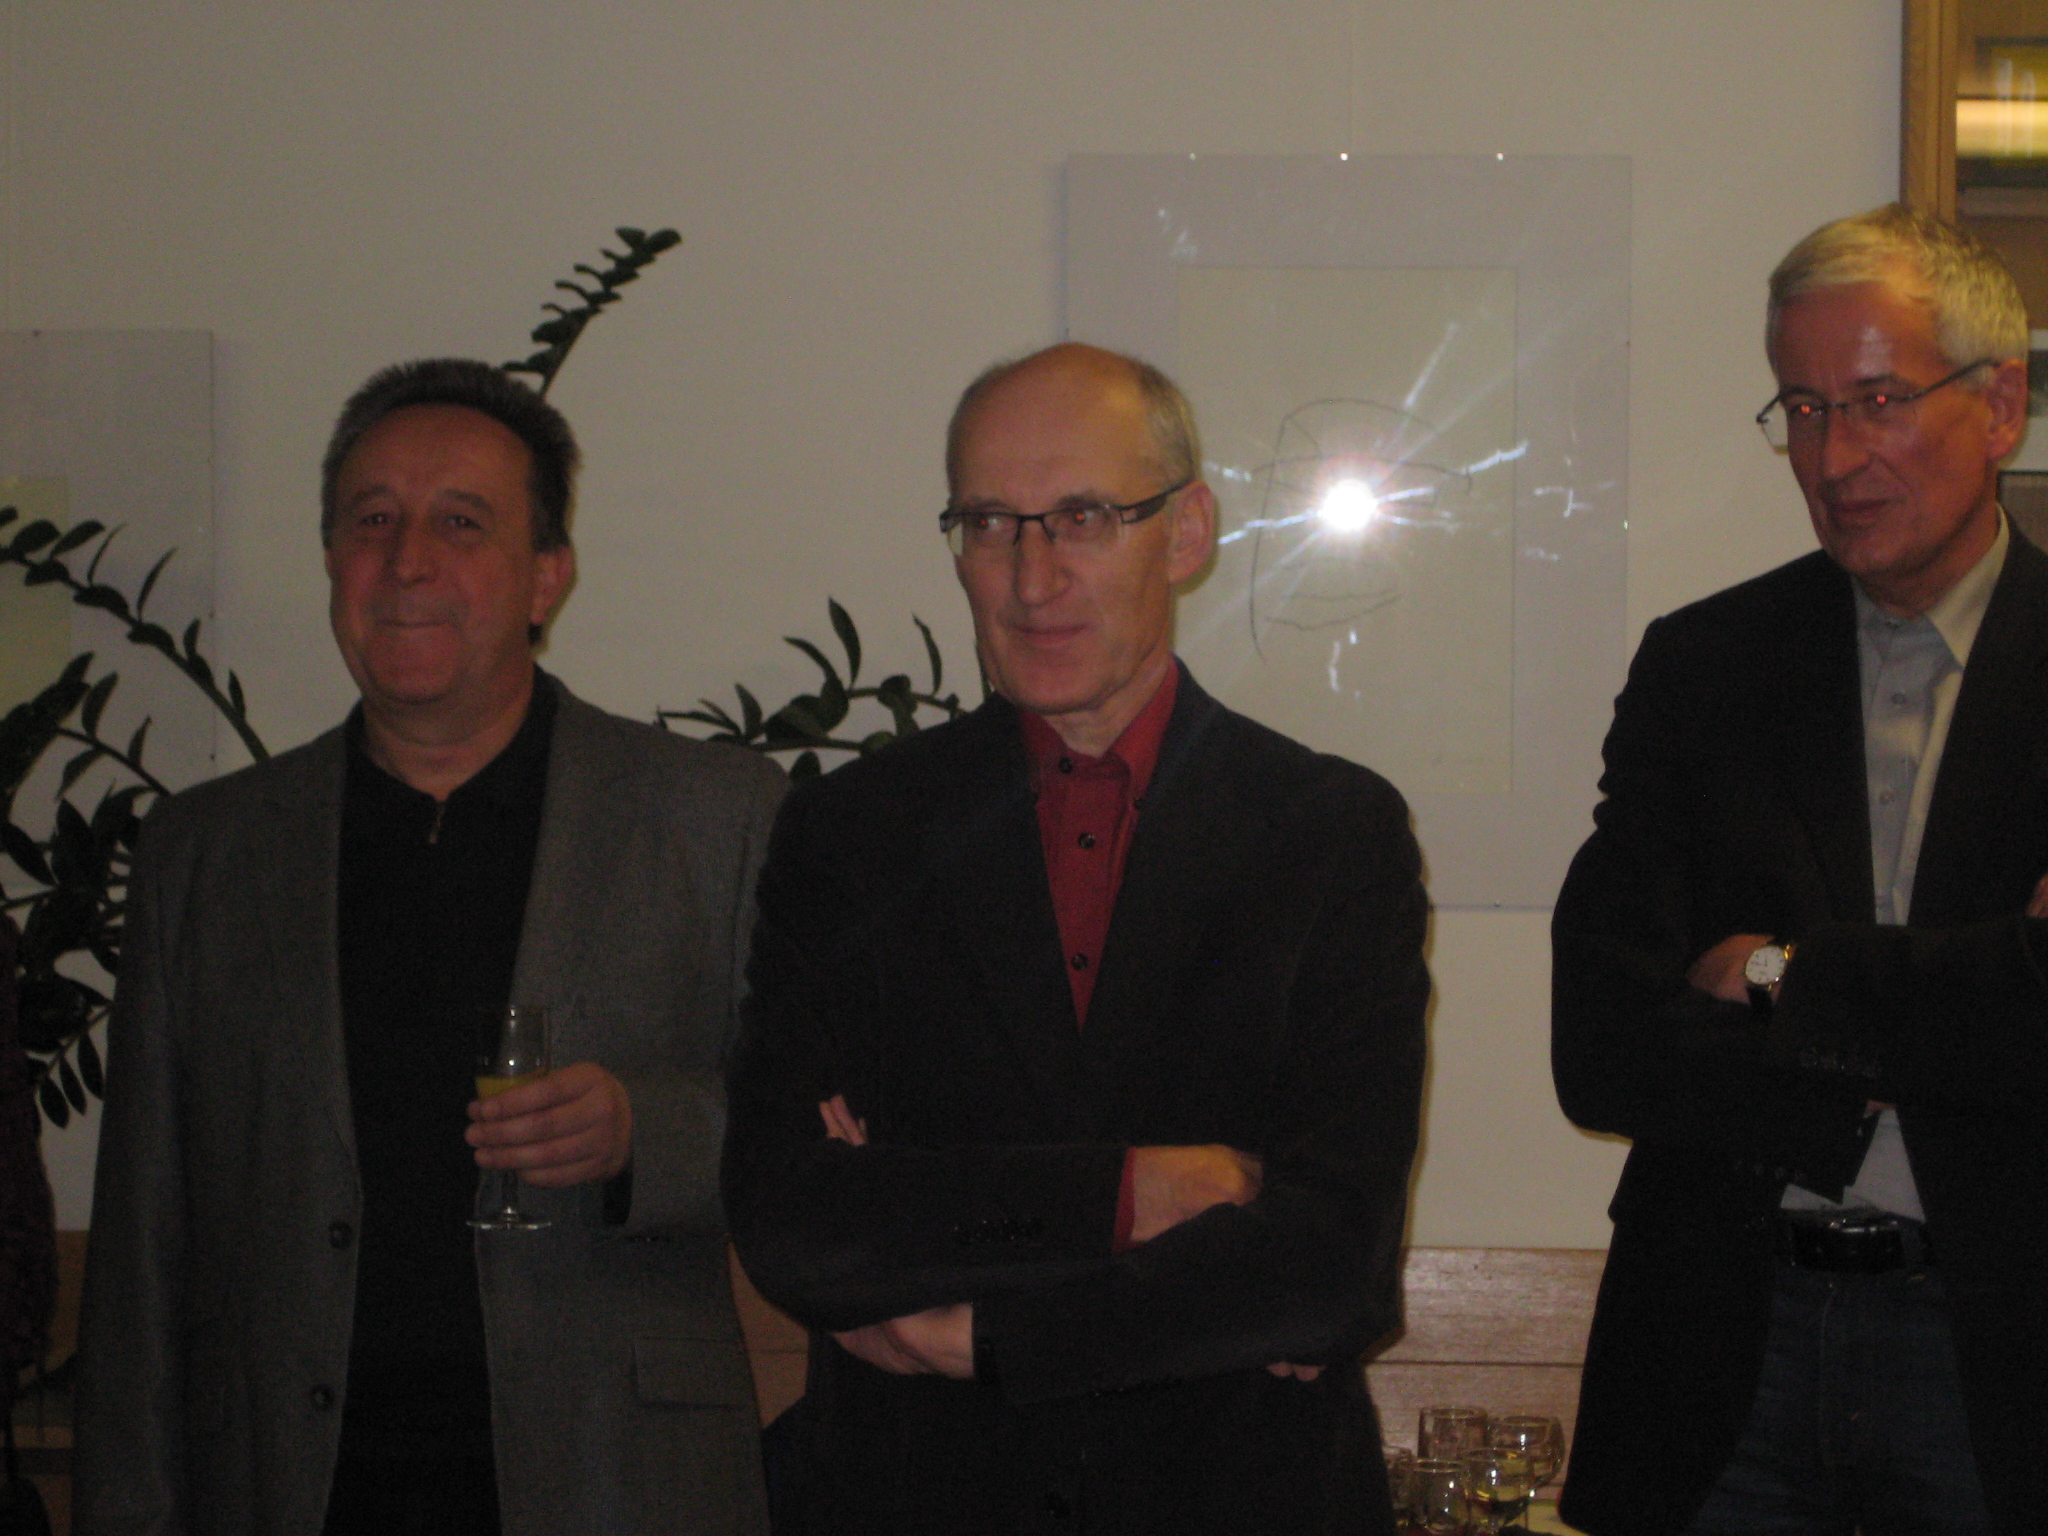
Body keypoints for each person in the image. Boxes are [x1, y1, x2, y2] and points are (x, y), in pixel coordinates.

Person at [724, 342, 1429, 1535]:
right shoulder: (851, 834)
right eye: (988, 524)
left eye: (1083, 519)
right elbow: (795, 1219)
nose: (1031, 576)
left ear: (1186, 533)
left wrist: (983, 1332)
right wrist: (1134, 1193)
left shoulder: (1328, 832)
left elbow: (1327, 1268)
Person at [74, 358, 784, 1535]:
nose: (407, 562)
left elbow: (813, 1134)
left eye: (461, 523)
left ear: (545, 575)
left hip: (616, 1483)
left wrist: (641, 1134)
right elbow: (142, 1252)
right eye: (371, 521)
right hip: (286, 1488)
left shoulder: (717, 819)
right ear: (331, 561)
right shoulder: (207, 853)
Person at [1552, 204, 2046, 1536]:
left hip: (2000, 1364)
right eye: (1805, 410)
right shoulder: (1704, 670)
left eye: (1878, 401)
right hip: (1724, 1345)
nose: (1833, 457)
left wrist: (1779, 976)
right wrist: (1956, 1008)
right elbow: (1602, 1043)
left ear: (2000, 405)